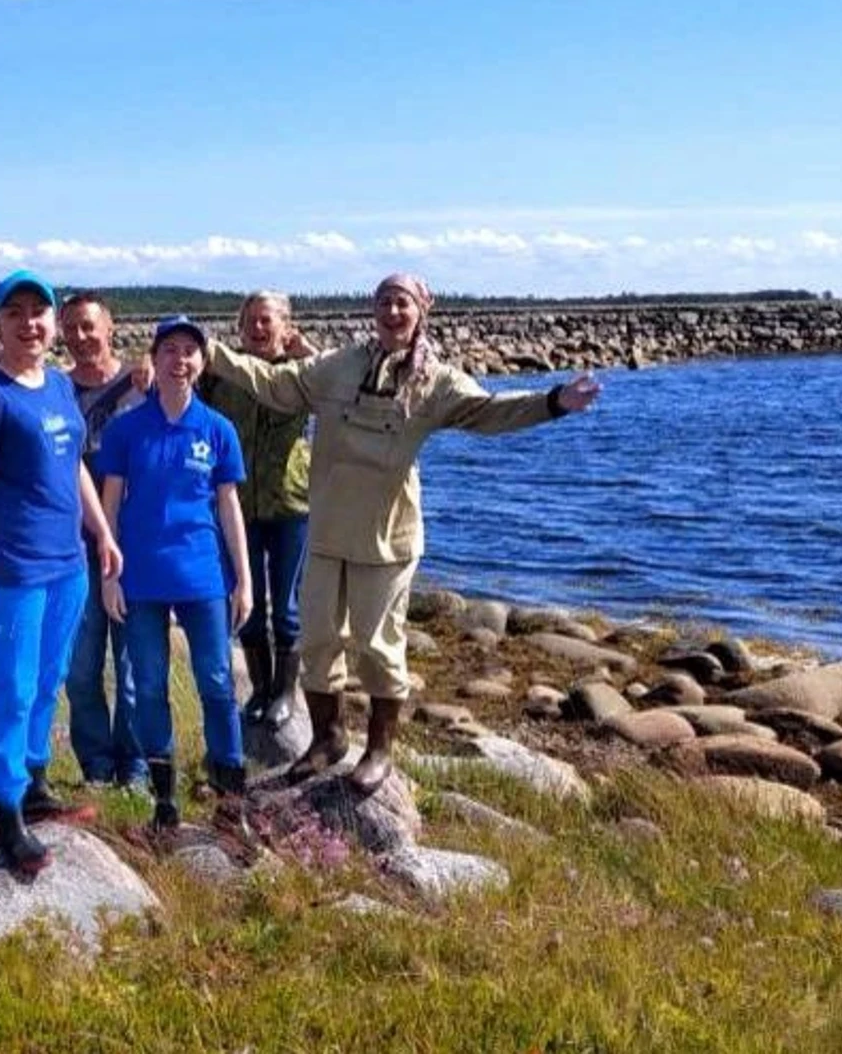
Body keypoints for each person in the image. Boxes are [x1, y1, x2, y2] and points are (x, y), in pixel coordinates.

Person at [202, 272, 601, 794]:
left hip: (386, 538)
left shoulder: (435, 381)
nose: (393, 312)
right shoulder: (338, 364)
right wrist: (209, 351)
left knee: (379, 647)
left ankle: (380, 750)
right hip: (326, 530)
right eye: (385, 302)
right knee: (319, 640)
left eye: (403, 304)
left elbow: (489, 411)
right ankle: (327, 739)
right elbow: (278, 384)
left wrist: (553, 402)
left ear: (422, 310)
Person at [0, 270, 123, 875]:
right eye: (14, 313)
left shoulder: (57, 388)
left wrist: (101, 530)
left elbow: (72, 465)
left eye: (38, 312)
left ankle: (36, 784)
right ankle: (6, 817)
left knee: (49, 684)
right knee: (12, 692)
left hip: (65, 567)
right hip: (9, 573)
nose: (29, 324)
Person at [97, 316, 252, 837]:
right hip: (139, 576)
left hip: (203, 575)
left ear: (202, 363)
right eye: (170, 350)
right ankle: (165, 802)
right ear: (154, 359)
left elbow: (230, 507)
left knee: (217, 683)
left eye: (189, 351)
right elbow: (110, 505)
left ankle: (232, 803)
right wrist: (109, 573)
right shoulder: (126, 430)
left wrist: (245, 580)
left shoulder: (217, 429)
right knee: (147, 685)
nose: (179, 360)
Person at [197, 291, 315, 729]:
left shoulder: (303, 374)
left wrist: (310, 353)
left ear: (287, 327)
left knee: (285, 606)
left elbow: (341, 397)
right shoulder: (222, 376)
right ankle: (260, 689)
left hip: (290, 503)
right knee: (245, 601)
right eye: (251, 321)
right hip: (238, 506)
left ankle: (286, 692)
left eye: (268, 321)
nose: (259, 328)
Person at [59, 292, 147, 790]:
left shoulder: (140, 386)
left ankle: (134, 768)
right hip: (72, 548)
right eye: (70, 328)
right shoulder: (56, 390)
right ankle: (95, 764)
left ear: (109, 327)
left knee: (132, 668)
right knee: (81, 666)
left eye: (89, 326)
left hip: (130, 546)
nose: (80, 337)